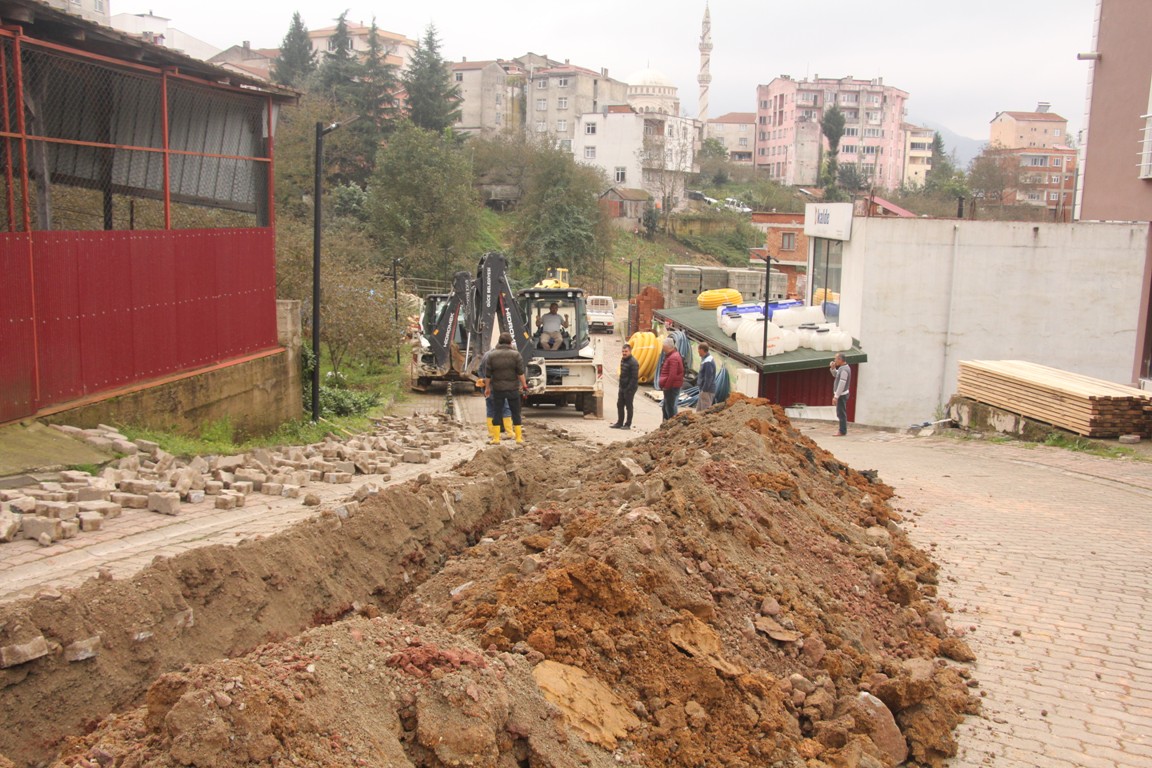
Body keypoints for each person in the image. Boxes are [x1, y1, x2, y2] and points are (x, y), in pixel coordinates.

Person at [484, 333, 528, 444]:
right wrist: (524, 385)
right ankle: (518, 438)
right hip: (513, 389)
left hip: (498, 389)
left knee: (497, 412)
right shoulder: (516, 355)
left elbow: (488, 375)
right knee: (515, 413)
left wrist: (487, 388)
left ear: (499, 342)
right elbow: (520, 373)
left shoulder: (492, 355)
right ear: (510, 342)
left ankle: (496, 438)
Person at [477, 348, 513, 438]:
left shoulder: (486, 355)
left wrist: (483, 380)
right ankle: (509, 432)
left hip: (487, 388)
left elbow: (479, 369)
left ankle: (491, 432)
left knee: (490, 409)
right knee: (505, 408)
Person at [610, 343, 639, 429]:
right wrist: (621, 386)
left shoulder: (633, 363)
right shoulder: (623, 360)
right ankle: (619, 423)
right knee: (620, 404)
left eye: (626, 351)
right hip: (622, 387)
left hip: (630, 388)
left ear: (630, 351)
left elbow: (634, 378)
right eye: (623, 351)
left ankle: (628, 424)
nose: (624, 353)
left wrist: (628, 389)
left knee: (629, 406)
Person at [658, 337, 684, 422]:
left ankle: (671, 425)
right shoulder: (671, 356)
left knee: (670, 407)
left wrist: (667, 386)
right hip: (670, 387)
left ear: (668, 347)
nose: (662, 348)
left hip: (672, 387)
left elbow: (672, 375)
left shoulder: (673, 357)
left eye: (663, 346)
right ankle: (666, 424)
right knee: (666, 407)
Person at [830, 352, 851, 436]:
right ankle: (842, 430)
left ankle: (842, 431)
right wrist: (833, 369)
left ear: (840, 360)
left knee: (841, 413)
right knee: (840, 412)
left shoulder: (844, 370)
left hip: (842, 395)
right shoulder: (843, 368)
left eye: (836, 359)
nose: (835, 360)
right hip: (841, 394)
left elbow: (842, 384)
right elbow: (836, 374)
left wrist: (836, 396)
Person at [696, 342, 717, 411]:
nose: (698, 351)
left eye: (698, 350)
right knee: (699, 411)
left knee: (705, 411)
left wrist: (704, 390)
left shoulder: (708, 362)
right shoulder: (706, 359)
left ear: (702, 350)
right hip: (703, 390)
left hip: (707, 391)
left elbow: (708, 378)